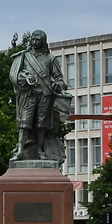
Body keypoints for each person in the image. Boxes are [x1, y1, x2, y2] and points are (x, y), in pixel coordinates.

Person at [10, 30, 73, 162]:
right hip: (29, 94)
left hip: (45, 95)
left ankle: (39, 150)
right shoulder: (23, 57)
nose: (34, 42)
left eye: (37, 39)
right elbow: (14, 76)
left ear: (43, 41)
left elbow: (60, 79)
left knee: (41, 124)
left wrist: (57, 85)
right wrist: (23, 78)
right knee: (24, 122)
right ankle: (20, 151)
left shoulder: (51, 59)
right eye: (33, 39)